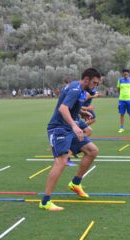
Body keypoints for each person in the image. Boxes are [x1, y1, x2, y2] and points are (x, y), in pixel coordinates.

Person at [40, 68, 101, 211]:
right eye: (94, 82)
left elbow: (72, 104)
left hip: (68, 128)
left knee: (92, 151)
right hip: (59, 129)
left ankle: (75, 183)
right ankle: (45, 201)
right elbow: (63, 108)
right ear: (86, 79)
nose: (95, 86)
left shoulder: (79, 88)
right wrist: (74, 125)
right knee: (61, 162)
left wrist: (81, 112)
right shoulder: (75, 89)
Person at [117, 69, 130, 133]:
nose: (125, 75)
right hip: (121, 100)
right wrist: (121, 95)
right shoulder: (120, 80)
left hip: (129, 100)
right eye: (124, 74)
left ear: (129, 74)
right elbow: (118, 89)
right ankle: (122, 128)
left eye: (126, 74)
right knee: (122, 114)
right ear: (123, 74)